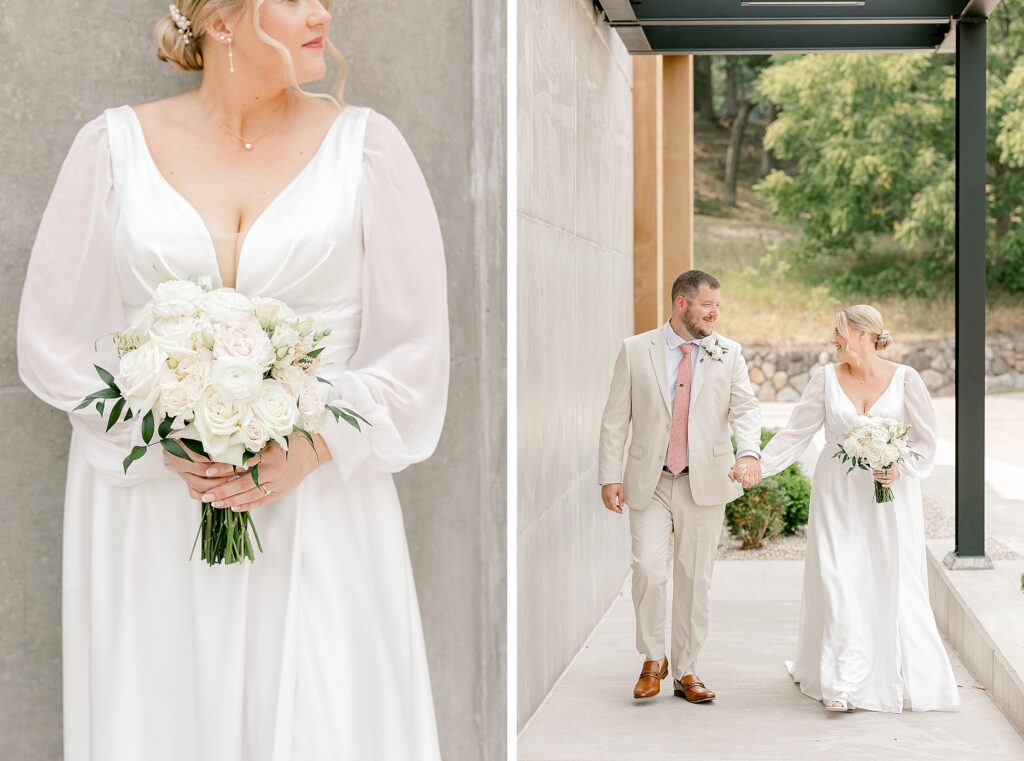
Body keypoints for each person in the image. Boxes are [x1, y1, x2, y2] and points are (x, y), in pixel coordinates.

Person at [16, 1, 450, 758]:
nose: (322, 12)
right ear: (221, 21)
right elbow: (50, 342)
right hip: (154, 506)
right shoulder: (111, 149)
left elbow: (416, 351)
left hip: (320, 503)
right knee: (162, 716)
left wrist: (313, 445)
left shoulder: (368, 150)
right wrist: (158, 431)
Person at [759, 305, 960, 713]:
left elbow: (926, 441)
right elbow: (796, 433)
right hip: (836, 493)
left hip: (889, 499)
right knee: (837, 576)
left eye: (839, 332)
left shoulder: (906, 379)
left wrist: (900, 467)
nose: (833, 339)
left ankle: (887, 671)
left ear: (863, 335)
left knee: (885, 579)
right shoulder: (824, 379)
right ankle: (841, 683)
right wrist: (757, 465)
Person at [598, 270, 762, 703]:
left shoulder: (729, 353)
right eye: (708, 305)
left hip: (705, 482)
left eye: (718, 306)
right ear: (681, 304)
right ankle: (653, 659)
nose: (714, 314)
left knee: (694, 579)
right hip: (649, 482)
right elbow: (615, 418)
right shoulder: (636, 350)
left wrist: (749, 454)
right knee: (649, 570)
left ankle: (687, 669)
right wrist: (609, 475)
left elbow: (746, 409)